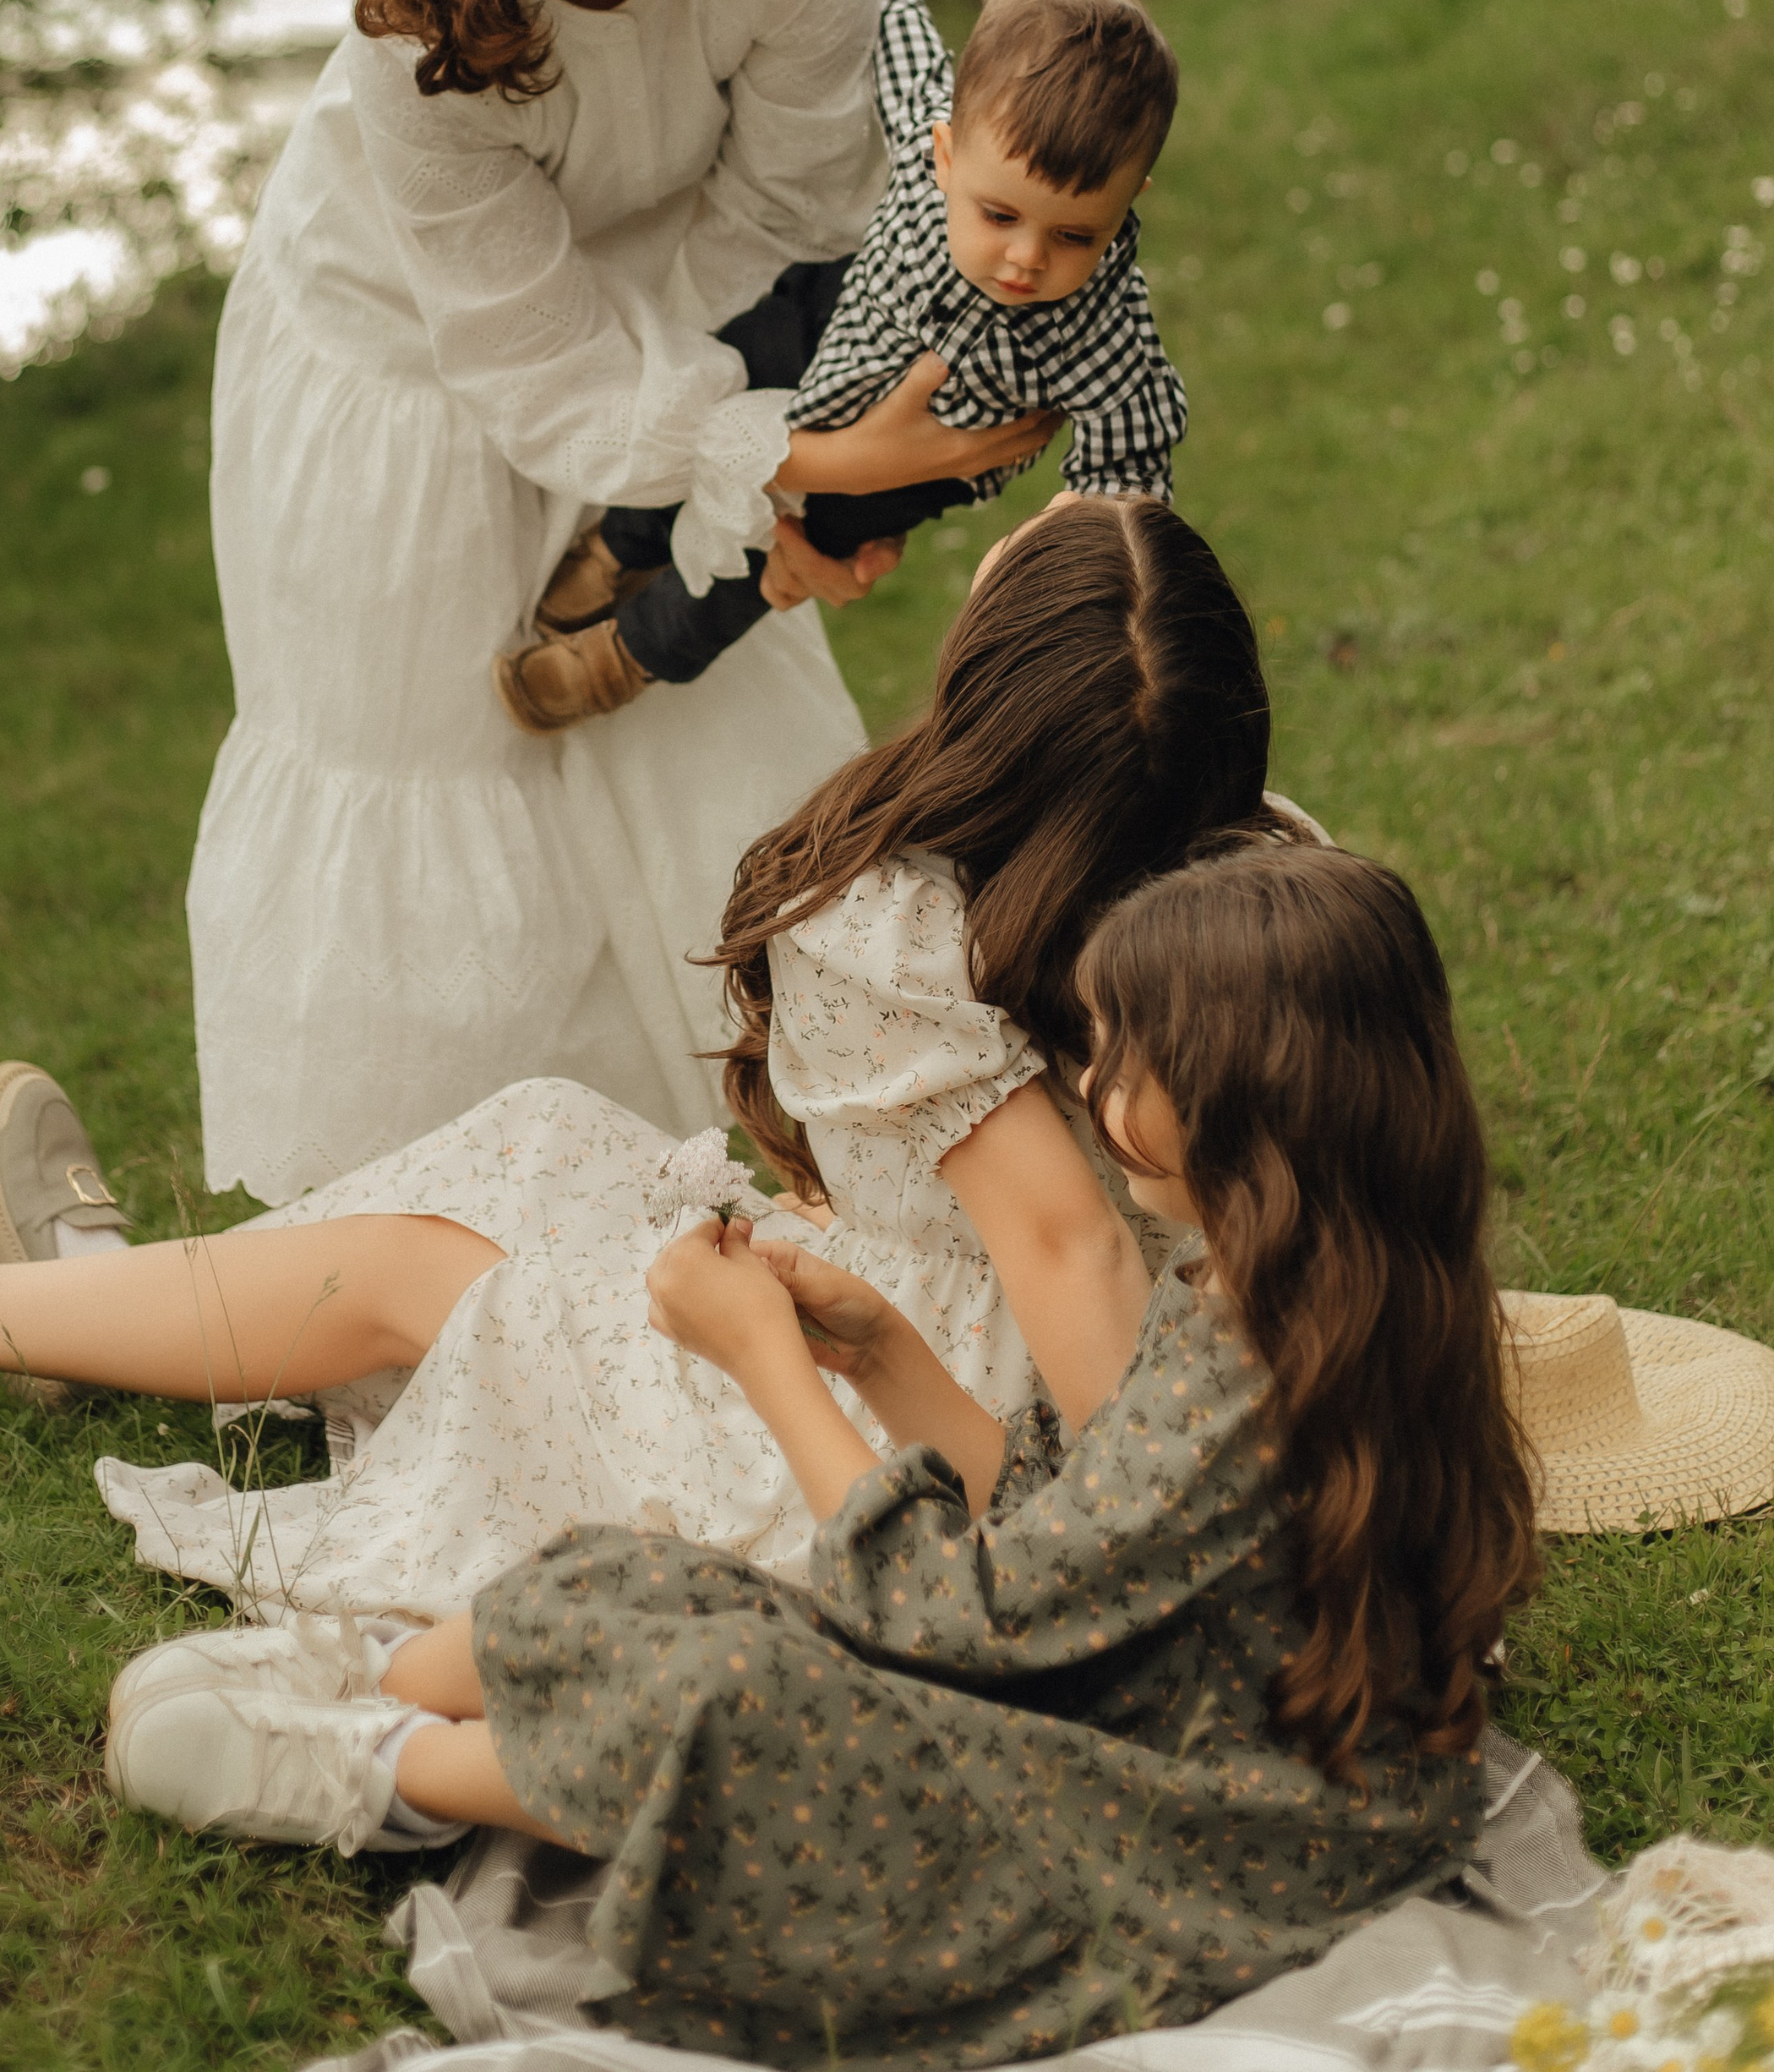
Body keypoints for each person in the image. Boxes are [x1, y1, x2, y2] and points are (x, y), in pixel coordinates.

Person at [104, 840, 1542, 2072]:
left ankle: (378, 1769)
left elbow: (956, 1615)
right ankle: (359, 1696)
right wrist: (885, 1359)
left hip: (1189, 1836)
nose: (1087, 1073)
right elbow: (1054, 1529)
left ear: (1237, 1086)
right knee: (663, 1582)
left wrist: (768, 1365)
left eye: (1116, 1049)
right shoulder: (1279, 1289)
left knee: (747, 1689)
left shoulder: (1254, 1368)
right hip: (1139, 1728)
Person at [0, 501, 1308, 1634]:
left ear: (994, 700)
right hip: (934, 1317)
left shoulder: (920, 926)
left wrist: (1129, 1551)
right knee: (544, 1146)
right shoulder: (1232, 854)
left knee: (440, 1281)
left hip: (928, 1412)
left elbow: (1073, 1243)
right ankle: (110, 1296)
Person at [187, 0, 1057, 1199]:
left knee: (717, 738)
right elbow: (535, 364)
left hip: (686, 316)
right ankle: (402, 1244)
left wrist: (749, 461)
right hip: (407, 366)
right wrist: (791, 448)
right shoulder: (419, 59)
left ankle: (801, 1175)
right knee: (435, 764)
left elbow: (796, 208)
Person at [494, 0, 1187, 731]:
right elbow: (907, 52)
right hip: (823, 326)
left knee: (771, 561)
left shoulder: (1105, 326)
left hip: (920, 461)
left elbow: (1132, 450)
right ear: (947, 156)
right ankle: (622, 544)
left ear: (1128, 203)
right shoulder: (934, 146)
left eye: (1073, 236)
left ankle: (624, 658)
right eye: (998, 216)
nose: (1025, 258)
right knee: (708, 405)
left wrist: (1087, 536)